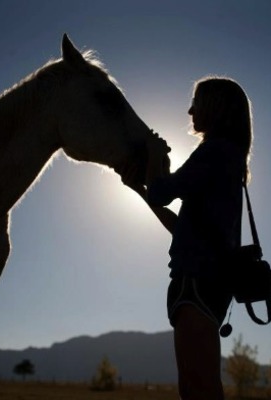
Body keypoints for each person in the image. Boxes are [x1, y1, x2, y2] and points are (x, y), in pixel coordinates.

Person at [120, 75, 253, 400]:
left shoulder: (214, 152)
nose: (190, 110)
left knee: (198, 389)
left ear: (215, 108)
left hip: (196, 283)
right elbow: (181, 227)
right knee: (198, 386)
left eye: (197, 102)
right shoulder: (229, 158)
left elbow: (163, 192)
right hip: (208, 285)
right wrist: (141, 190)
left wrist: (155, 158)